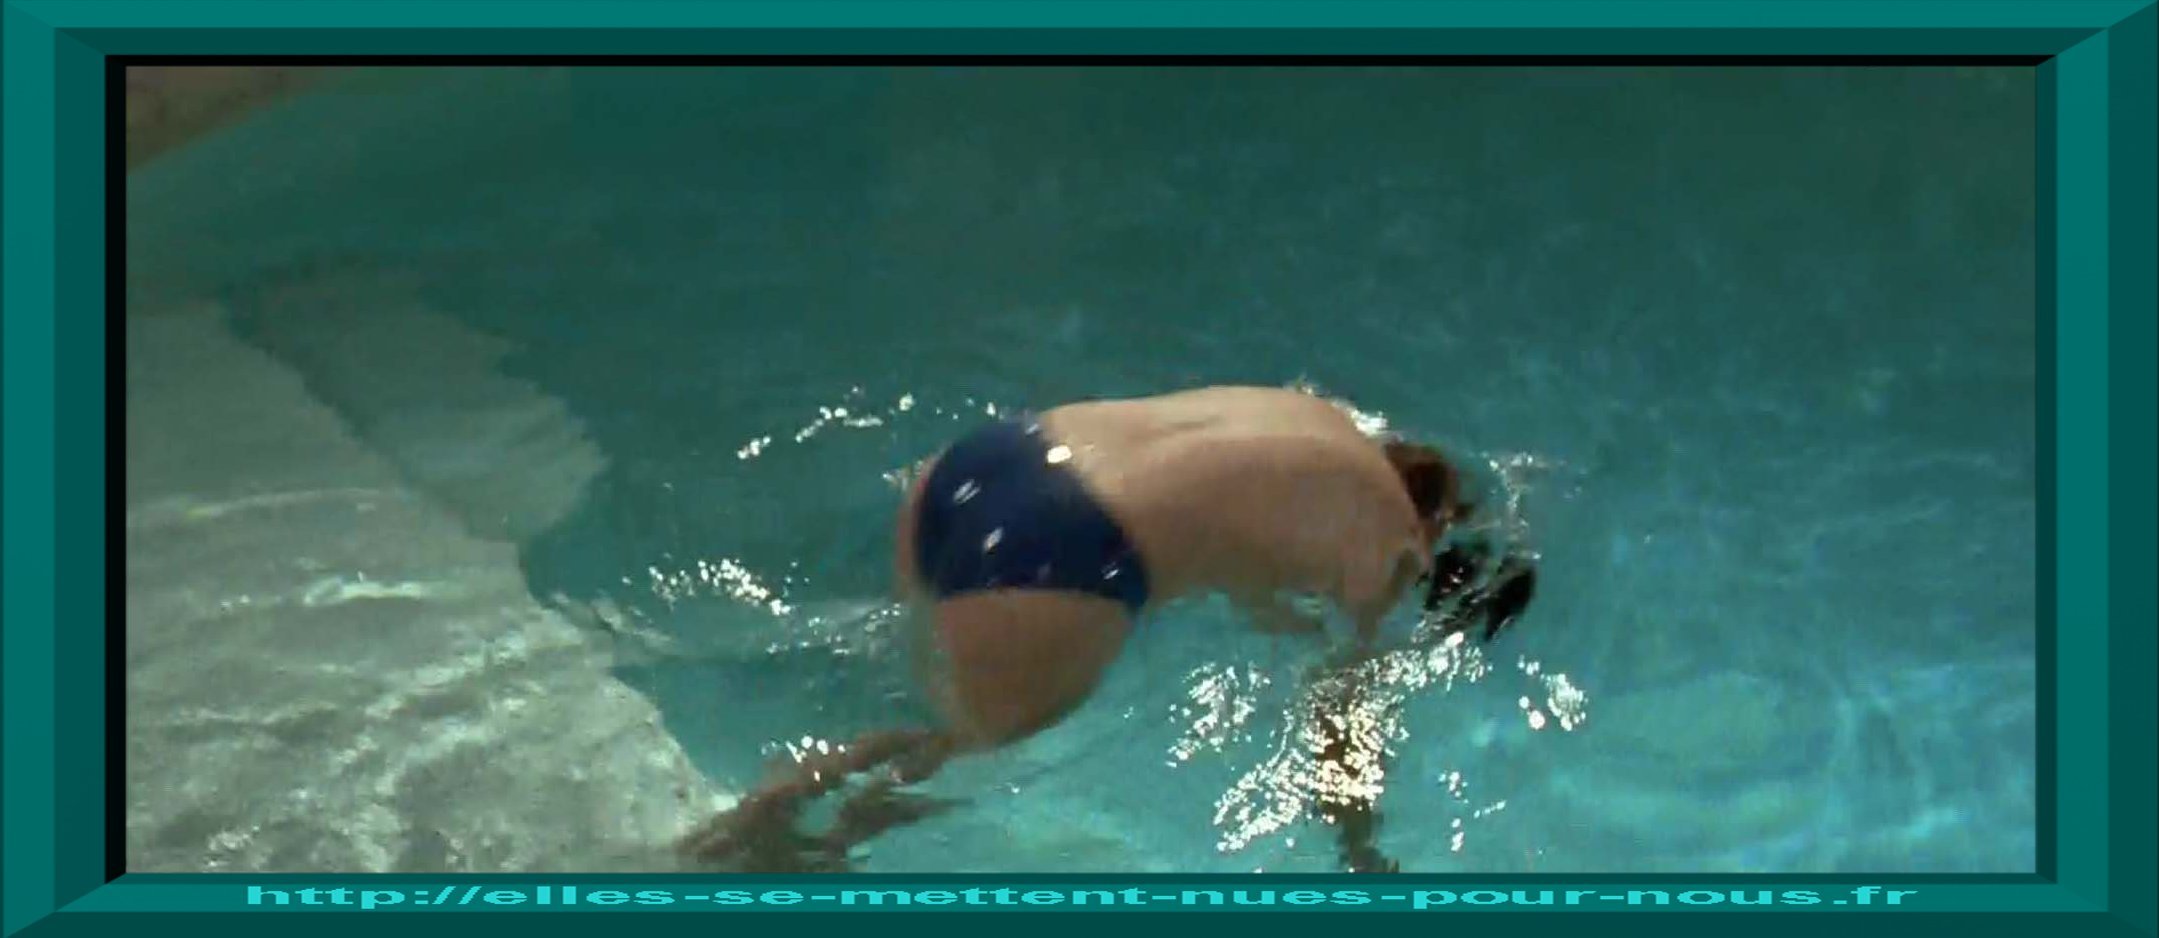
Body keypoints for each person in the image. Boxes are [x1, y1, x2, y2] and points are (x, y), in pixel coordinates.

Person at [680, 385, 1479, 871]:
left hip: (981, 466)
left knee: (939, 709)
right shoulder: (1395, 545)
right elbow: (1344, 715)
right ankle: (776, 835)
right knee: (958, 756)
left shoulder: (1318, 420)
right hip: (1058, 552)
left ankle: (775, 814)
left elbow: (1236, 531)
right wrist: (1360, 848)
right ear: (1433, 529)